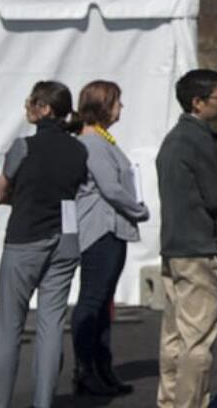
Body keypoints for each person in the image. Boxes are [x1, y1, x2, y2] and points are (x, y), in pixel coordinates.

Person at [0, 81, 88, 408]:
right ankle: (43, 402)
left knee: (9, 326)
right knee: (51, 325)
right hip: (66, 239)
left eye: (31, 103)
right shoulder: (80, 149)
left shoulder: (23, 147)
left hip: (26, 237)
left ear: (45, 109)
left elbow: (2, 192)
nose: (27, 108)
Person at [156, 69, 217, 408]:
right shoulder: (199, 139)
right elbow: (214, 198)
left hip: (173, 247)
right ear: (197, 103)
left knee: (174, 338)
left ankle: (169, 402)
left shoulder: (172, 139)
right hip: (199, 248)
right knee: (197, 342)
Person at [71, 80, 150, 397]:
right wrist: (139, 210)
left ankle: (101, 366)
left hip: (110, 229)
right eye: (117, 102)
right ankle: (86, 369)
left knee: (103, 302)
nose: (121, 108)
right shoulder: (93, 145)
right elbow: (111, 188)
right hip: (100, 230)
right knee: (93, 299)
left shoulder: (102, 141)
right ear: (103, 106)